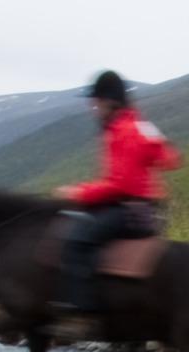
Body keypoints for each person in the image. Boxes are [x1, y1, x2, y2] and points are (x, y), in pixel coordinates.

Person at [52, 70, 182, 315]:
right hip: (151, 210)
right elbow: (171, 159)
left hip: (129, 212)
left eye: (96, 102)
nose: (93, 108)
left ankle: (81, 313)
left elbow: (119, 185)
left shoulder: (121, 132)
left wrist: (78, 193)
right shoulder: (142, 125)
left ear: (108, 102)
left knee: (77, 241)